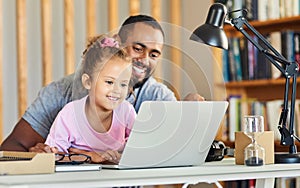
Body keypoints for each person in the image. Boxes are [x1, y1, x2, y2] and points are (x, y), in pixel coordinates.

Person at [0, 14, 204, 152]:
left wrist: (188, 114)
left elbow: (174, 151)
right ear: (117, 42)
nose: (145, 59)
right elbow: (11, 147)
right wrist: (42, 156)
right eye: (138, 48)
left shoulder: (159, 97)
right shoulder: (61, 94)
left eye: (154, 54)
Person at [45, 35, 135, 163]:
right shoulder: (70, 114)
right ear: (88, 82)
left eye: (123, 84)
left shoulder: (126, 111)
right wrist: (90, 157)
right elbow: (53, 156)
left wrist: (119, 158)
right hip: (81, 180)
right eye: (109, 82)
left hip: (118, 180)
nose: (117, 90)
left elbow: (139, 151)